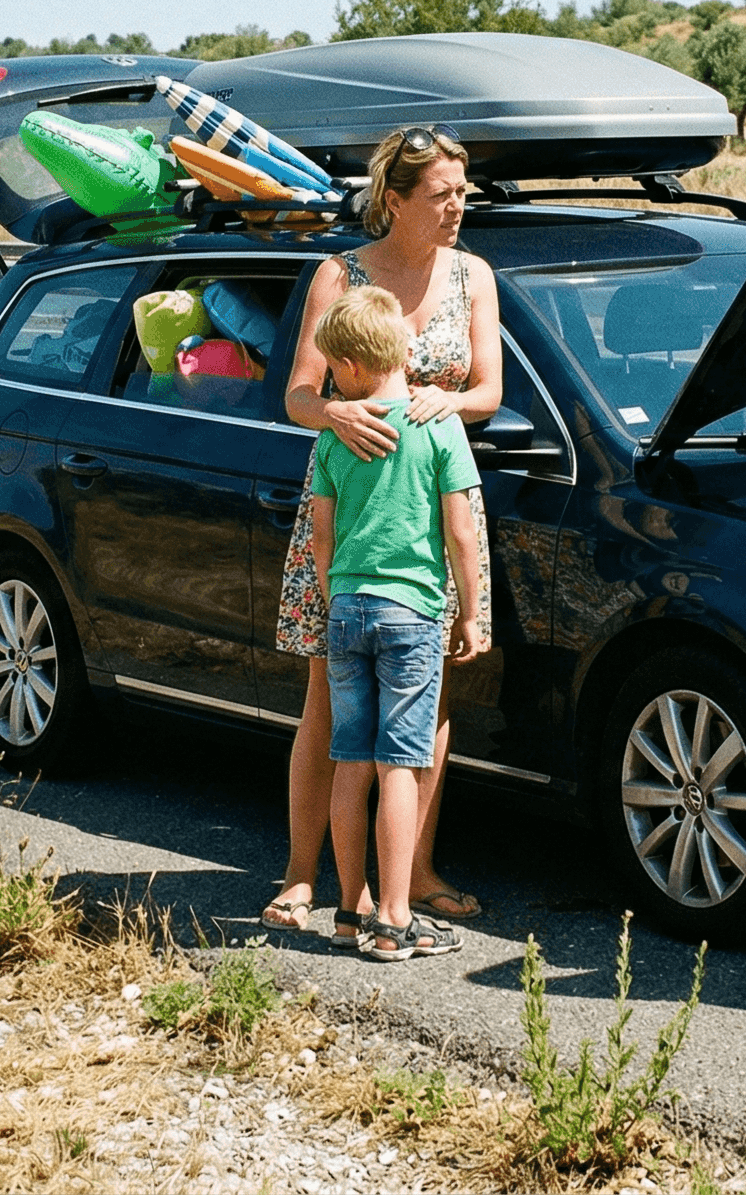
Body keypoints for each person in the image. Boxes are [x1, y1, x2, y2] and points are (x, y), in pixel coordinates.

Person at [263, 125, 501, 940]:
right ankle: (306, 878)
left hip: (435, 514)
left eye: (462, 192)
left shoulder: (474, 275)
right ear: (393, 200)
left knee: (426, 710)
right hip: (349, 509)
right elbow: (297, 392)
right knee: (327, 703)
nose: (458, 207)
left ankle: (414, 875)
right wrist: (336, 411)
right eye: (441, 195)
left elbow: (489, 391)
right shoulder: (342, 274)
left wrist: (449, 403)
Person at [307, 286, 488, 959]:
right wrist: (472, 610)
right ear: (402, 351)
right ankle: (393, 918)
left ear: (350, 367)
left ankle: (349, 911)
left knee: (349, 759)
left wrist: (334, 596)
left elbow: (321, 537)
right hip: (411, 612)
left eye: (331, 367)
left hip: (347, 609)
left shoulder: (336, 436)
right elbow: (461, 532)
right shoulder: (437, 426)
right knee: (400, 765)